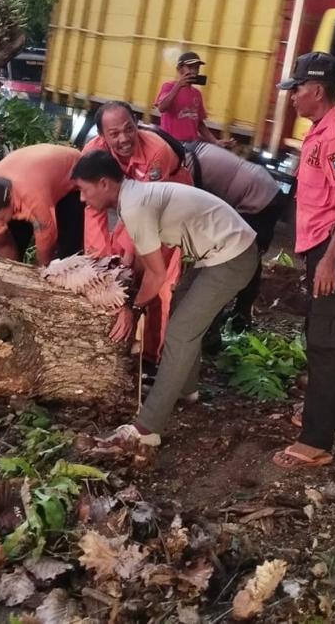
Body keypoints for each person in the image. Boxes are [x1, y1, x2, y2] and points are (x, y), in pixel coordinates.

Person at [71, 150, 258, 449]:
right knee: (182, 311)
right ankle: (185, 389)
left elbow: (156, 276)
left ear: (104, 183)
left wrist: (132, 309)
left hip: (233, 256)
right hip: (221, 252)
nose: (82, 198)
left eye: (84, 189)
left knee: (180, 332)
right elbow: (147, 263)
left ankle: (147, 428)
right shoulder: (133, 197)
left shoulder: (135, 206)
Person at [272, 52, 335, 470]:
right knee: (320, 334)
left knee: (328, 343)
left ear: (317, 90)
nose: (292, 97)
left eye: (297, 89)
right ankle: (326, 416)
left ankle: (317, 441)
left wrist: (329, 259)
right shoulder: (319, 131)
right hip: (320, 248)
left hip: (334, 252)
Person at [83, 102, 193, 362]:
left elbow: (145, 214)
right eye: (114, 134)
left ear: (136, 124)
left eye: (129, 129)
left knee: (155, 279)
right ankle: (120, 342)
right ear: (102, 136)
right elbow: (93, 209)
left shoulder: (157, 152)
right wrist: (101, 266)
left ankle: (152, 356)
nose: (124, 139)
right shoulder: (91, 156)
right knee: (113, 265)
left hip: (168, 207)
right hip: (133, 206)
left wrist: (129, 260)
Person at [183, 140, 287, 340]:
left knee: (234, 256)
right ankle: (239, 312)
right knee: (246, 256)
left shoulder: (184, 166)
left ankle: (221, 325)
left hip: (259, 199)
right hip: (264, 190)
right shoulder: (189, 152)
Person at [0, 144, 84, 266]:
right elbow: (3, 244)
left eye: (0, 218)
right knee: (16, 236)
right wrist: (7, 270)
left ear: (10, 201)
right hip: (33, 179)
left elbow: (46, 242)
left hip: (72, 175)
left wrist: (41, 271)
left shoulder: (32, 197)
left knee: (68, 247)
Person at [155, 51, 232, 145]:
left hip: (191, 143)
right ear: (179, 68)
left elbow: (199, 123)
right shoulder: (168, 86)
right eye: (190, 67)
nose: (194, 71)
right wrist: (178, 86)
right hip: (171, 142)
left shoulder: (197, 93)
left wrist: (215, 141)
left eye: (197, 68)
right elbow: (161, 108)